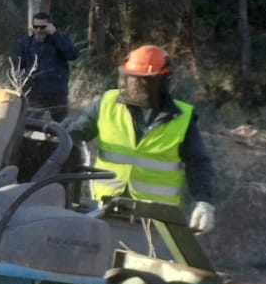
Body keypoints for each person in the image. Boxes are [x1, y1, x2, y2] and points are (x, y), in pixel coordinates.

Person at [68, 44, 216, 243]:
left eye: (142, 81)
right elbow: (74, 135)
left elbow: (198, 164)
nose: (135, 85)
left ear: (160, 81)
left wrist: (203, 201)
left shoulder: (182, 118)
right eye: (131, 78)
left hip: (156, 219)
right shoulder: (108, 103)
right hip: (106, 208)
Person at [12, 10, 80, 122]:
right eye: (36, 26)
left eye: (42, 27)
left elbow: (72, 55)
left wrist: (55, 34)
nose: (39, 30)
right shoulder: (25, 43)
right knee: (28, 124)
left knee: (64, 127)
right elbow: (18, 65)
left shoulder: (59, 40)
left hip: (57, 94)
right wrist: (20, 74)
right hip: (34, 93)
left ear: (49, 26)